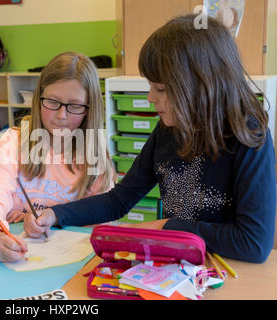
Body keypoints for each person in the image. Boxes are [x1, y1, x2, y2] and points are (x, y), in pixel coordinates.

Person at [24, 15, 276, 263]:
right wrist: (56, 214)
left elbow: (253, 243)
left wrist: (169, 226)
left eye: (162, 89)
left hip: (229, 271)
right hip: (178, 268)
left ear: (202, 86)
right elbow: (119, 200)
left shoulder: (250, 137)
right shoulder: (168, 129)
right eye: (151, 86)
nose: (150, 98)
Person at [0, 52, 117, 262]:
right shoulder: (13, 142)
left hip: (69, 258)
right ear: (38, 97)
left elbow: (101, 218)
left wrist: (52, 220)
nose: (61, 116)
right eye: (52, 102)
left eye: (74, 106)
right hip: (16, 249)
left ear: (89, 109)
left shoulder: (93, 154)